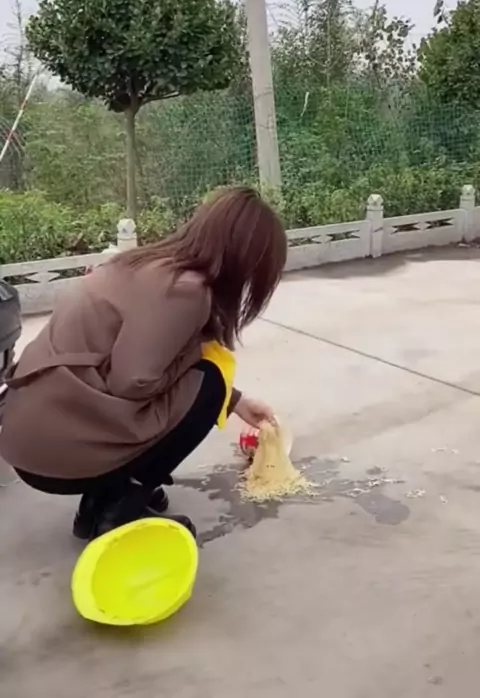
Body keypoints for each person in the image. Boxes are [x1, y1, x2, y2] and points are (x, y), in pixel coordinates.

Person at [0, 187, 287, 540]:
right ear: (246, 259)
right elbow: (133, 381)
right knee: (210, 382)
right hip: (57, 453)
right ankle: (120, 510)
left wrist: (237, 401)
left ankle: (100, 501)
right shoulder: (187, 289)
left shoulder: (141, 264)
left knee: (203, 380)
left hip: (30, 439)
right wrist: (200, 361)